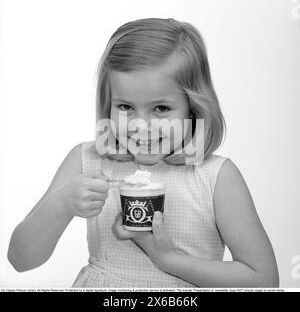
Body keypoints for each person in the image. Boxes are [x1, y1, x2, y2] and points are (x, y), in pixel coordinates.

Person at [7, 18, 279, 288]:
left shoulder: (215, 176)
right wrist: (60, 205)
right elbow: (20, 259)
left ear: (193, 107)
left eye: (161, 109)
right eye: (125, 107)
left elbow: (264, 279)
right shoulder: (87, 160)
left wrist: (169, 259)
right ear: (108, 103)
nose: (141, 126)